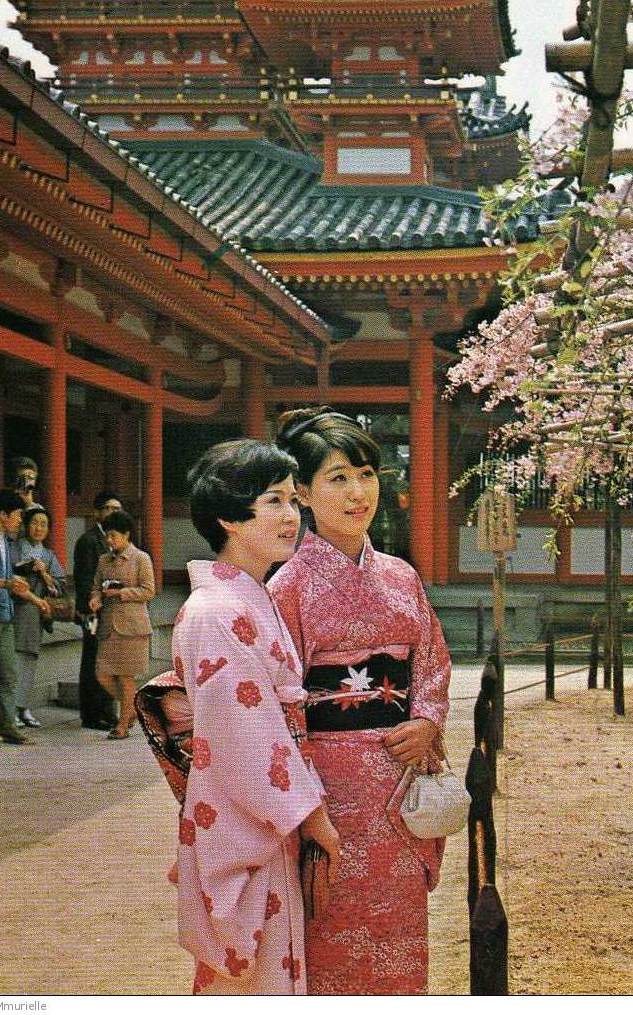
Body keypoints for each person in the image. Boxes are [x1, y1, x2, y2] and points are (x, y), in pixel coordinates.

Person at [135, 439, 338, 996]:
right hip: (246, 809)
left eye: (293, 501)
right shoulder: (216, 610)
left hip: (264, 813)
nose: (291, 516)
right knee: (251, 971)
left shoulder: (249, 598)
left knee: (269, 964)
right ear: (228, 516)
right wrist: (312, 816)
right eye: (273, 502)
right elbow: (244, 737)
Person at [269, 408, 452, 996]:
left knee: (399, 927)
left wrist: (426, 719)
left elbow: (431, 661)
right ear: (301, 491)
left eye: (367, 474)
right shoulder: (286, 585)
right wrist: (304, 798)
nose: (357, 492)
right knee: (332, 923)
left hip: (400, 776)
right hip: (330, 787)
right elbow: (282, 701)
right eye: (338, 477)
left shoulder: (400, 575)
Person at [89, 509, 155, 739]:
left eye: (114, 536)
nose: (109, 540)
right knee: (103, 674)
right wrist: (96, 598)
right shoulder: (103, 560)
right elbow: (96, 586)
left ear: (127, 535)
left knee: (126, 677)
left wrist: (121, 592)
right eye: (107, 536)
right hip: (108, 628)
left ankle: (122, 724)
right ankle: (134, 709)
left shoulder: (141, 558)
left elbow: (148, 591)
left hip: (131, 627)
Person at [0, 488, 37, 745]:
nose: (20, 521)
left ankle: (6, 724)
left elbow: (4, 578)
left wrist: (15, 581)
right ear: (2, 514)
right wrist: (8, 583)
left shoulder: (7, 542)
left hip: (4, 612)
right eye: (17, 514)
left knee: (7, 672)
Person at [11, 503, 65, 728]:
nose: (39, 527)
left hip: (36, 614)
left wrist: (43, 572)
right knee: (11, 661)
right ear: (26, 525)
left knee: (29, 660)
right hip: (14, 610)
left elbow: (60, 587)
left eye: (44, 524)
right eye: (35, 522)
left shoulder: (49, 556)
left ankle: (23, 707)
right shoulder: (14, 548)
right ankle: (9, 708)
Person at [74, 491, 121, 730]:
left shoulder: (117, 540)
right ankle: (91, 714)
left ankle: (107, 710)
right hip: (92, 612)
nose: (114, 513)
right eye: (110, 509)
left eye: (117, 509)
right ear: (98, 512)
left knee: (110, 659)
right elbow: (84, 580)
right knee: (92, 658)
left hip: (113, 611)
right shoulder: (88, 541)